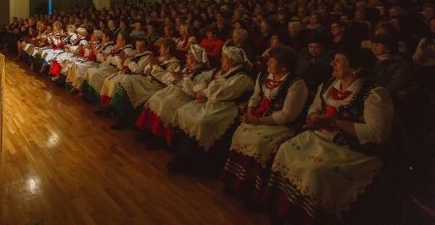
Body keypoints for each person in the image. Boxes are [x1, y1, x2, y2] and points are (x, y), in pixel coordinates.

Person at [265, 46, 394, 224]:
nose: (332, 63)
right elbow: (314, 108)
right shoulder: (328, 84)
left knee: (315, 170)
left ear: (355, 69)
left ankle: (307, 218)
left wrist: (335, 123)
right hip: (322, 136)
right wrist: (314, 116)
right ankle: (284, 211)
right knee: (286, 150)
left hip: (352, 147)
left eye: (339, 60)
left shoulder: (374, 93)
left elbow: (377, 133)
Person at [221, 45, 308, 204]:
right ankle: (237, 182)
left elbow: (287, 114)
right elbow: (255, 97)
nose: (267, 64)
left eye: (272, 61)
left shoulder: (296, 84)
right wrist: (249, 113)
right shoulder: (263, 75)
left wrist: (258, 121)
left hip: (282, 125)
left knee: (260, 143)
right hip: (259, 118)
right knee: (241, 132)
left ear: (284, 66)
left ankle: (255, 191)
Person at [169, 46, 254, 175]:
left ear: (233, 61)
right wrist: (202, 89)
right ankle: (183, 154)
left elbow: (220, 92)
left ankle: (196, 162)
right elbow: (205, 80)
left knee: (202, 122)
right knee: (183, 111)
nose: (221, 60)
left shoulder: (243, 77)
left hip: (227, 107)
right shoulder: (225, 71)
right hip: (213, 102)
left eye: (224, 58)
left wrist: (204, 90)